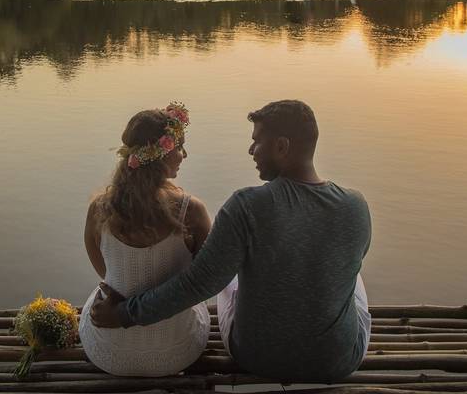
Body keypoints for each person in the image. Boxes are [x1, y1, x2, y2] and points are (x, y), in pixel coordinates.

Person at [91, 100, 372, 383]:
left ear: (282, 147)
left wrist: (124, 314)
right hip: (337, 361)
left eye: (257, 142)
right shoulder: (356, 206)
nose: (251, 150)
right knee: (353, 277)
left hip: (256, 357)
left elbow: (197, 285)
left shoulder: (246, 206)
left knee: (227, 279)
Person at [78, 103, 213, 376]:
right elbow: (205, 278)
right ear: (161, 155)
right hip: (176, 351)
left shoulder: (100, 208)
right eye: (178, 147)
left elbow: (103, 268)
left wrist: (129, 285)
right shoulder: (192, 211)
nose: (183, 155)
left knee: (105, 286)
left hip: (109, 352)